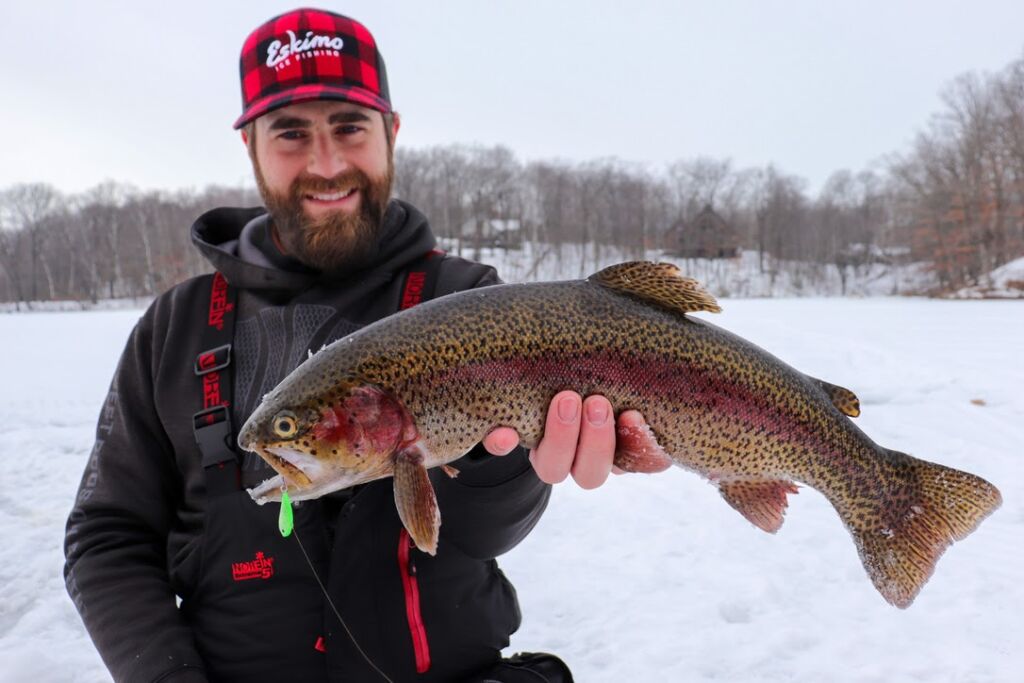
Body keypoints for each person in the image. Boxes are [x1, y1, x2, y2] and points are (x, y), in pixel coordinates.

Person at [65, 8, 645, 682]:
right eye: (290, 133)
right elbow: (106, 536)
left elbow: (485, 534)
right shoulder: (174, 327)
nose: (327, 163)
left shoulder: (467, 297)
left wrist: (500, 466)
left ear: (390, 133)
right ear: (249, 144)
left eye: (349, 126)